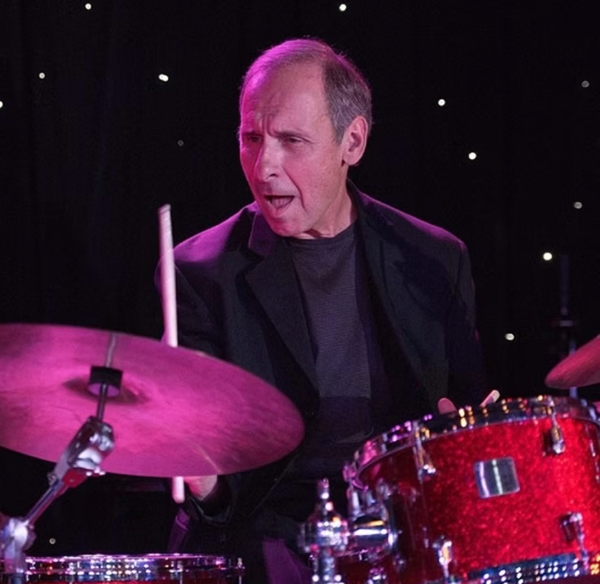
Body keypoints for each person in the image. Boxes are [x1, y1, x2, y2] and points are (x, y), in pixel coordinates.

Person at [158, 38, 486, 583]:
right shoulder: (199, 271)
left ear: (351, 141)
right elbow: (216, 497)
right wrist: (204, 480)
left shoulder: (433, 258)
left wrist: (470, 436)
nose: (264, 166)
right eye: (251, 138)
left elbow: (465, 414)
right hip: (265, 540)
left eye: (292, 141)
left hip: (403, 535)